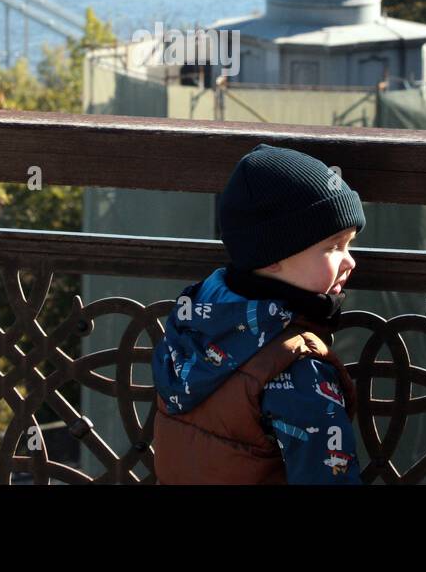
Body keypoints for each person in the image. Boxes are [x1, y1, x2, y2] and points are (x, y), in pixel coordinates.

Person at [151, 142, 366, 484]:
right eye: (334, 246)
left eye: (350, 244)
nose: (350, 261)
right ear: (271, 255)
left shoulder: (191, 321)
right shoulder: (297, 369)